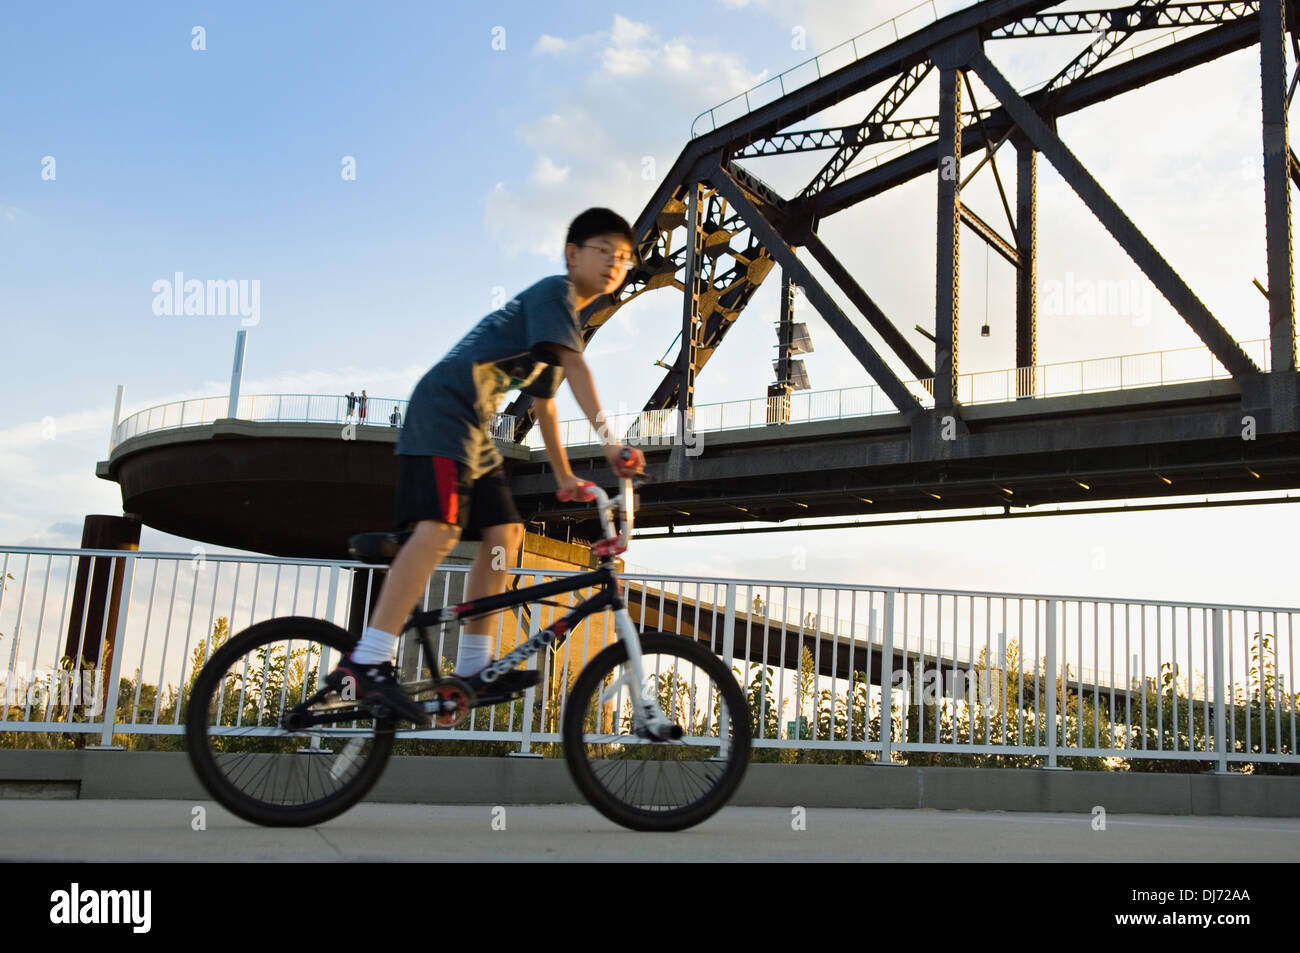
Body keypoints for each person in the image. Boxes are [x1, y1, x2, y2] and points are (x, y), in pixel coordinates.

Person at [327, 208, 646, 726]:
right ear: (572, 254)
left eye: (625, 257)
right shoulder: (554, 295)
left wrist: (564, 475)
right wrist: (613, 443)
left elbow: (543, 401)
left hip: (475, 426)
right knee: (442, 528)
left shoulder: (561, 325)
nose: (616, 262)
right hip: (445, 408)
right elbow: (577, 367)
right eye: (604, 250)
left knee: (506, 533)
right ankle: (369, 658)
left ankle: (473, 666)